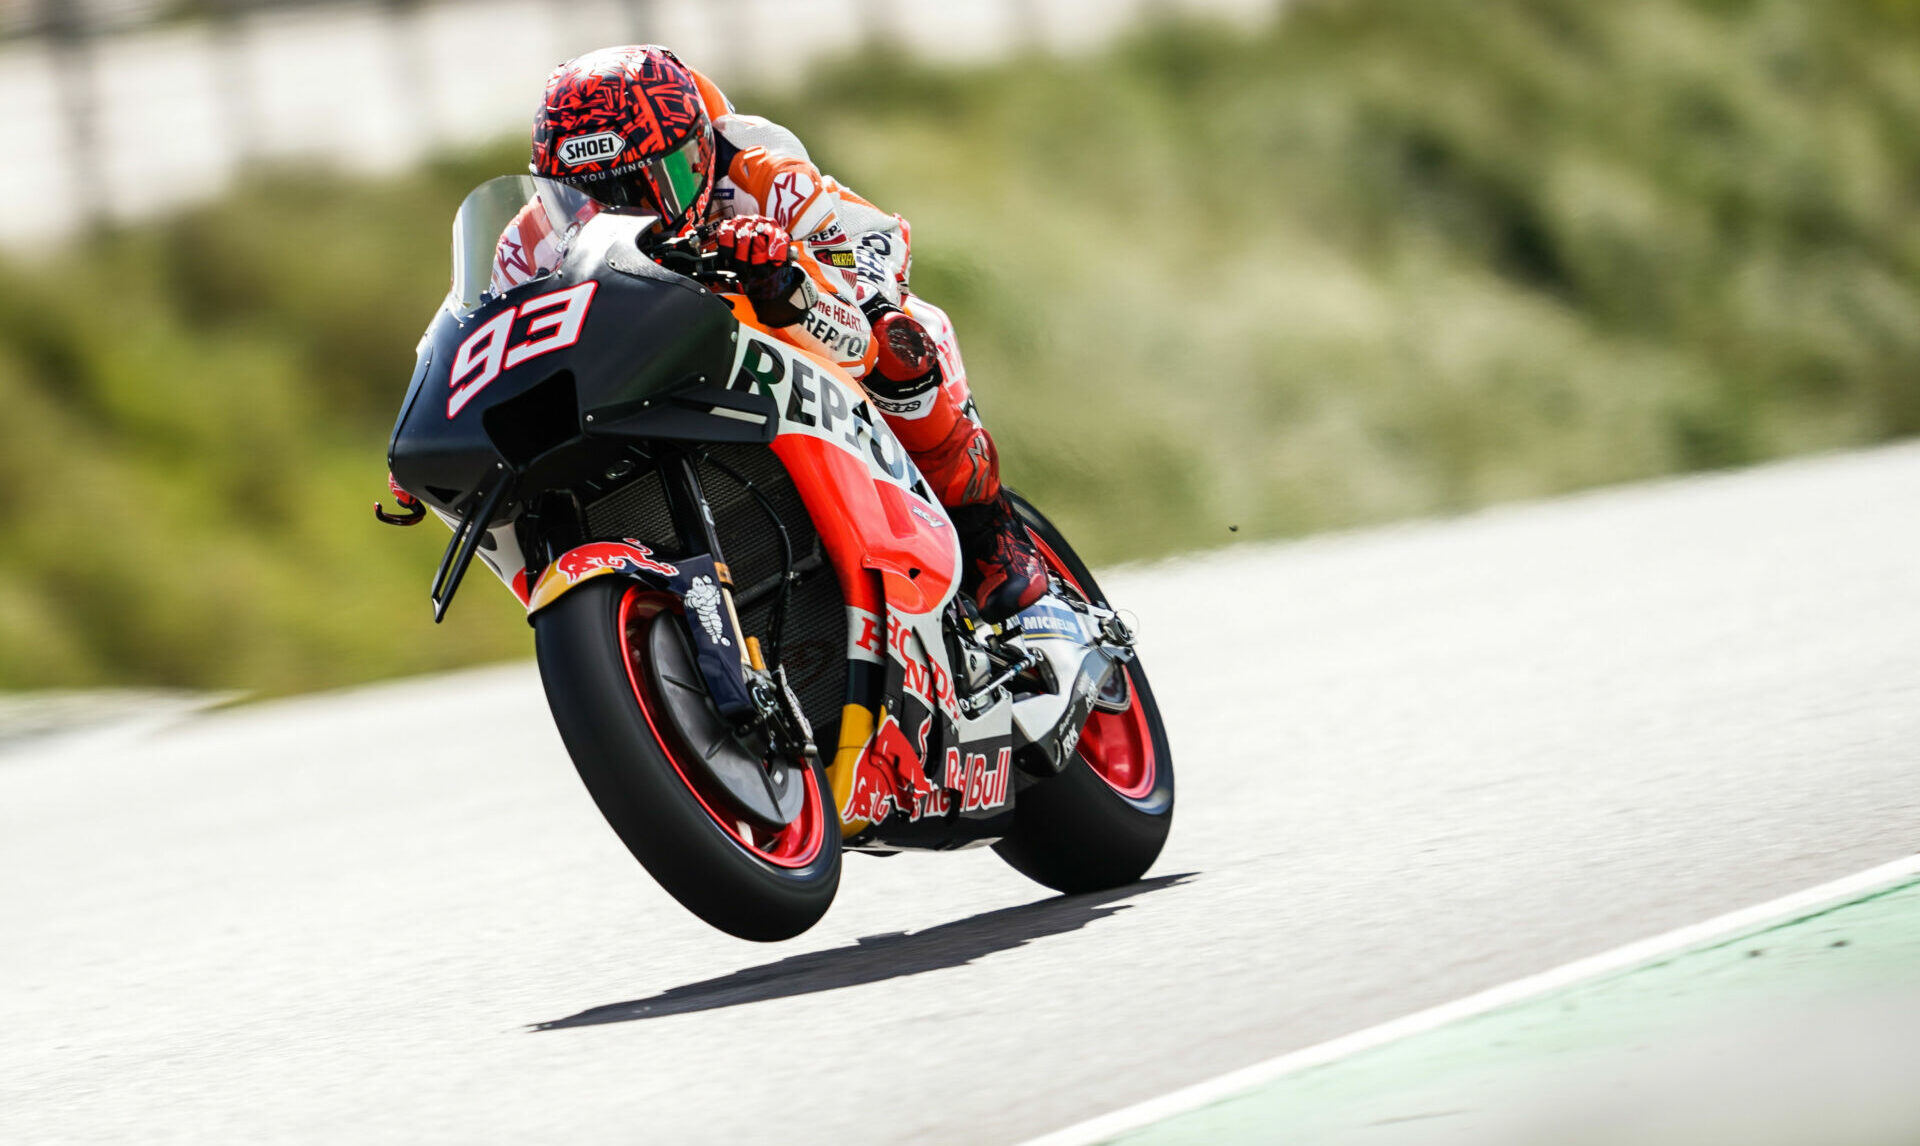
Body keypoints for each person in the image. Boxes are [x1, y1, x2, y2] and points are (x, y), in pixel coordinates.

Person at [520, 44, 1046, 623]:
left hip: (841, 263)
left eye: (642, 185)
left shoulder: (760, 165)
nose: (617, 208)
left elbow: (849, 301)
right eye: (588, 194)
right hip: (663, 321)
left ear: (696, 154)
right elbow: (485, 321)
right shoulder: (532, 237)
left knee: (895, 345)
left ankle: (989, 530)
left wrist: (779, 279)